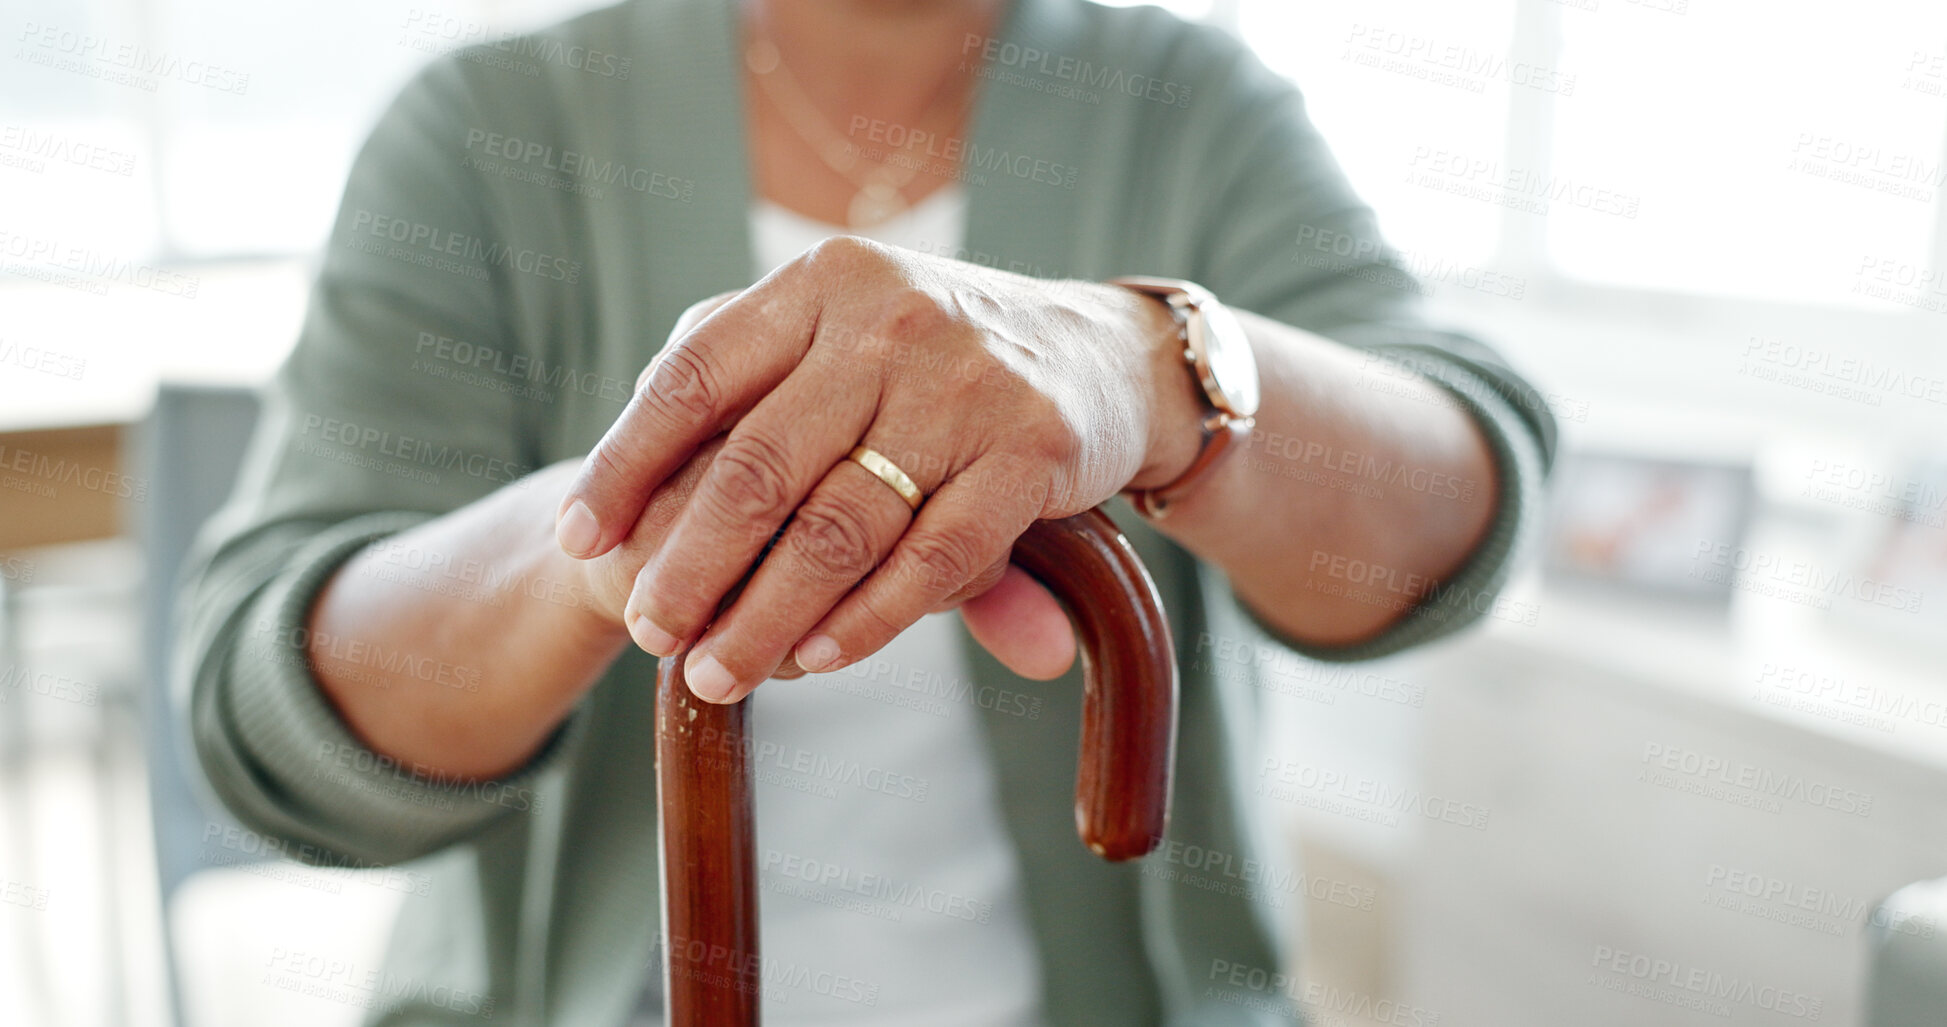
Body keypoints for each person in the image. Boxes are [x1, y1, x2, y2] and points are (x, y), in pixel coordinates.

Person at [177, 0, 1556, 1022]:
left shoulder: (1192, 101)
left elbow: (1456, 514)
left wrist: (1157, 365)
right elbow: (267, 716)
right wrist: (614, 536)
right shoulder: (487, 128)